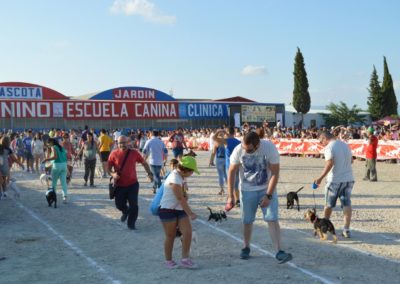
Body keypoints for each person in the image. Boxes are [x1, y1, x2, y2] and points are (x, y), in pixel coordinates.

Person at [226, 131, 292, 263]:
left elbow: (275, 174)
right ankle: (246, 247)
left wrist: (268, 195)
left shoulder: (269, 148)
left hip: (266, 188)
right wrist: (230, 196)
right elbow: (232, 172)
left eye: (249, 150)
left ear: (257, 145)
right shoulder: (239, 149)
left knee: (272, 219)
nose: (246, 151)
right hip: (246, 190)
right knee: (247, 221)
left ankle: (279, 251)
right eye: (245, 148)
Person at [159, 156, 199, 269]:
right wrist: (190, 213)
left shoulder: (181, 177)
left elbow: (183, 196)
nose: (192, 174)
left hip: (179, 210)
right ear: (186, 170)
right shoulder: (174, 178)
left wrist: (186, 195)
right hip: (167, 210)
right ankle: (168, 260)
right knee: (170, 236)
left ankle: (185, 259)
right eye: (192, 171)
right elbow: (180, 198)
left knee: (188, 232)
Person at [313, 131, 355, 238]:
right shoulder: (345, 145)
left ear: (324, 138)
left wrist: (320, 178)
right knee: (346, 204)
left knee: (328, 204)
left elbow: (329, 163)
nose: (321, 143)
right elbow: (351, 161)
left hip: (334, 180)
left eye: (321, 141)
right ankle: (346, 229)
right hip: (348, 179)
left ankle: (324, 225)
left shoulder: (329, 147)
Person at [107, 135, 153, 230]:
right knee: (119, 204)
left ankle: (131, 223)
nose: (122, 144)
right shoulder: (113, 154)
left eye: (124, 142)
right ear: (117, 143)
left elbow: (144, 163)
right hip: (119, 185)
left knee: (134, 205)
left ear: (128, 143)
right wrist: (113, 174)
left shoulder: (134, 153)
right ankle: (125, 211)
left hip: (133, 184)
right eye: (120, 143)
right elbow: (108, 169)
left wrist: (149, 173)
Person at [213, 127, 241, 205]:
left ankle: (231, 198)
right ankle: (237, 199)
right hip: (237, 164)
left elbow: (214, 138)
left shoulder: (226, 141)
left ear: (227, 133)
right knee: (236, 182)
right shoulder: (239, 142)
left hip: (229, 165)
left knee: (230, 182)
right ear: (234, 133)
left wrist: (220, 131)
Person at [42, 138, 69, 203]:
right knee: (63, 182)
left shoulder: (53, 147)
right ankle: (65, 197)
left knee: (54, 182)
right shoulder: (61, 147)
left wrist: (46, 159)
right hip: (64, 165)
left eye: (48, 144)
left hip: (57, 166)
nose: (48, 145)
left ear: (51, 142)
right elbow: (65, 156)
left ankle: (53, 196)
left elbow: (55, 156)